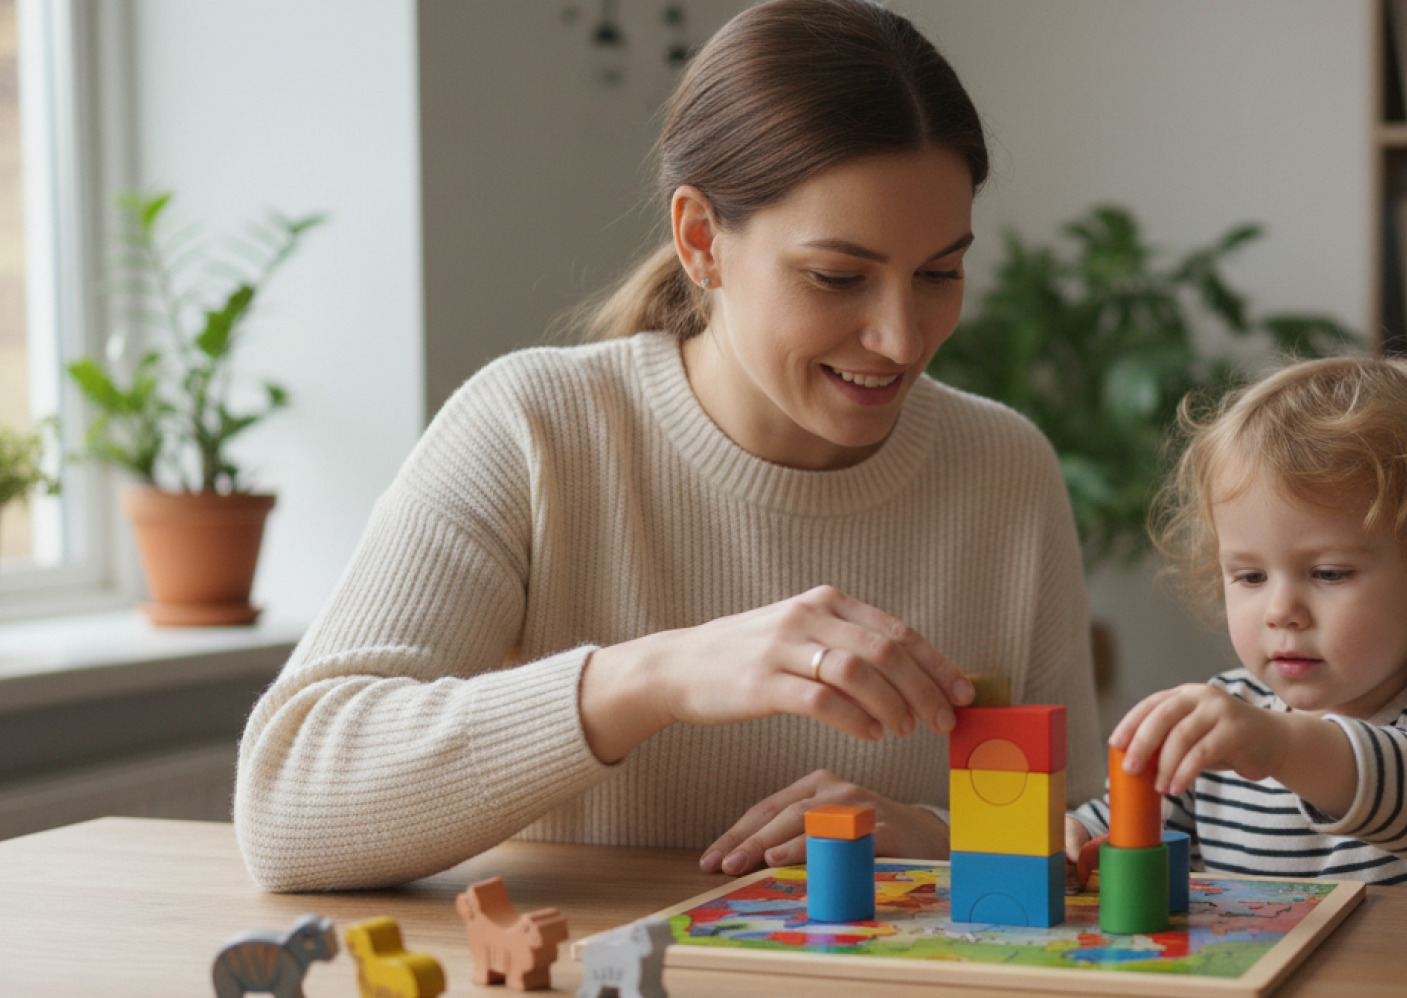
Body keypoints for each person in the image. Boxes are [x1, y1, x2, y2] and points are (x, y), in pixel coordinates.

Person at [236, 0, 1100, 893]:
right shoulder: (534, 427)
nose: (900, 337)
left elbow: (1082, 841)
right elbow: (285, 809)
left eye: (939, 274)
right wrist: (657, 674)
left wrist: (937, 834)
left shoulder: (1006, 468)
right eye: (837, 277)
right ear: (701, 241)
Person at [1065, 357, 1407, 889]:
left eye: (1329, 573)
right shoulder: (1230, 716)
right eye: (1249, 576)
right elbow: (1116, 826)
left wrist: (1285, 747)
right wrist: (1074, 833)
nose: (1280, 610)